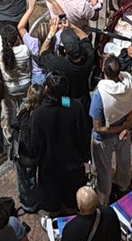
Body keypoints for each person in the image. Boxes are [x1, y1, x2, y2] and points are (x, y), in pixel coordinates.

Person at [28, 71, 91, 214]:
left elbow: (33, 144)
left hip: (50, 167)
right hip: (73, 164)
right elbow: (84, 134)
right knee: (71, 202)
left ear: (46, 89)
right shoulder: (74, 106)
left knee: (52, 204)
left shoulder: (38, 115)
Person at [90, 56, 132, 203]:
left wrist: (117, 128)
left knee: (103, 167)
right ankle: (123, 187)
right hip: (123, 131)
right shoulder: (129, 81)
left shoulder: (100, 93)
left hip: (105, 135)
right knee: (124, 161)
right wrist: (126, 125)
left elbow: (97, 127)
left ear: (103, 70)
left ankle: (104, 194)